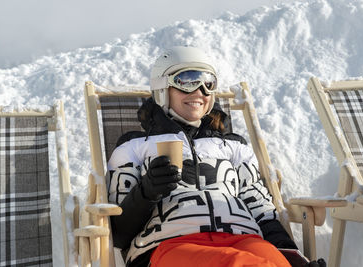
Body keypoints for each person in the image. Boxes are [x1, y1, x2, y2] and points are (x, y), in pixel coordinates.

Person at [107, 46, 323, 267]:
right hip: (169, 246)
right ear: (162, 87)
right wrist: (147, 191)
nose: (200, 91)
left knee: (271, 261)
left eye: (208, 82)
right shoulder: (133, 146)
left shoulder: (234, 146)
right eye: (188, 80)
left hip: (245, 240)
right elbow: (119, 234)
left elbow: (262, 211)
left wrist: (294, 259)